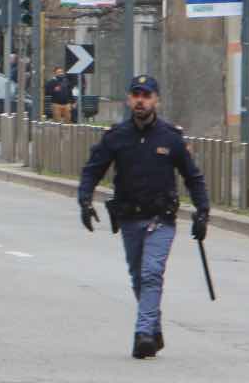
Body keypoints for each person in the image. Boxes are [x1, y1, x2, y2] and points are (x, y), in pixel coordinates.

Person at [77, 75, 210, 359]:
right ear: (129, 99)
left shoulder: (171, 138)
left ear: (156, 100)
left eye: (146, 95)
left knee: (151, 273)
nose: (141, 100)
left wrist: (203, 211)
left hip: (161, 220)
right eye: (136, 94)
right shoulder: (116, 136)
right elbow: (92, 170)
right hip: (129, 219)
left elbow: (193, 177)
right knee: (139, 277)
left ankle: (144, 334)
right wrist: (85, 200)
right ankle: (154, 326)